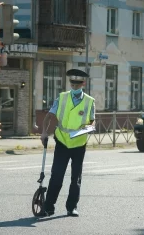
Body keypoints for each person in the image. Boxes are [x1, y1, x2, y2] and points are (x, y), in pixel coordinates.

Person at [40, 69, 95, 217]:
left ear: (83, 83)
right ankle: (49, 207)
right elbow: (49, 116)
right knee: (56, 176)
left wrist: (88, 129)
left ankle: (72, 207)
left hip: (79, 144)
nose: (75, 86)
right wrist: (44, 132)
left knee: (76, 178)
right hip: (62, 142)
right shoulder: (62, 97)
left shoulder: (90, 101)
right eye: (72, 83)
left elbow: (91, 123)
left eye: (78, 83)